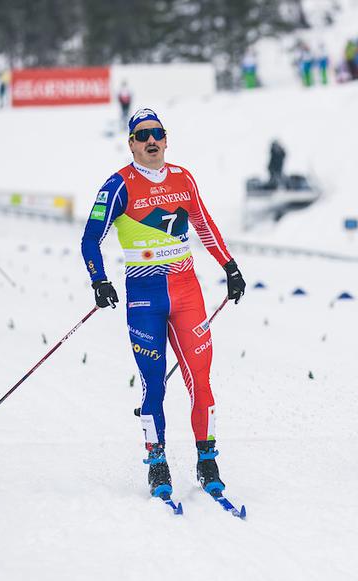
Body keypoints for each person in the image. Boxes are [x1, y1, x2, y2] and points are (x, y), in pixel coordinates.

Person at [80, 108, 246, 502]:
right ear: (132, 144)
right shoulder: (117, 186)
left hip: (187, 291)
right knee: (153, 384)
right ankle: (157, 462)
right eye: (142, 135)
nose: (151, 141)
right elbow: (90, 239)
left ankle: (208, 461)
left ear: (166, 139)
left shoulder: (183, 178)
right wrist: (99, 281)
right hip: (144, 294)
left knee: (201, 382)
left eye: (157, 133)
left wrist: (230, 266)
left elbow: (203, 224)